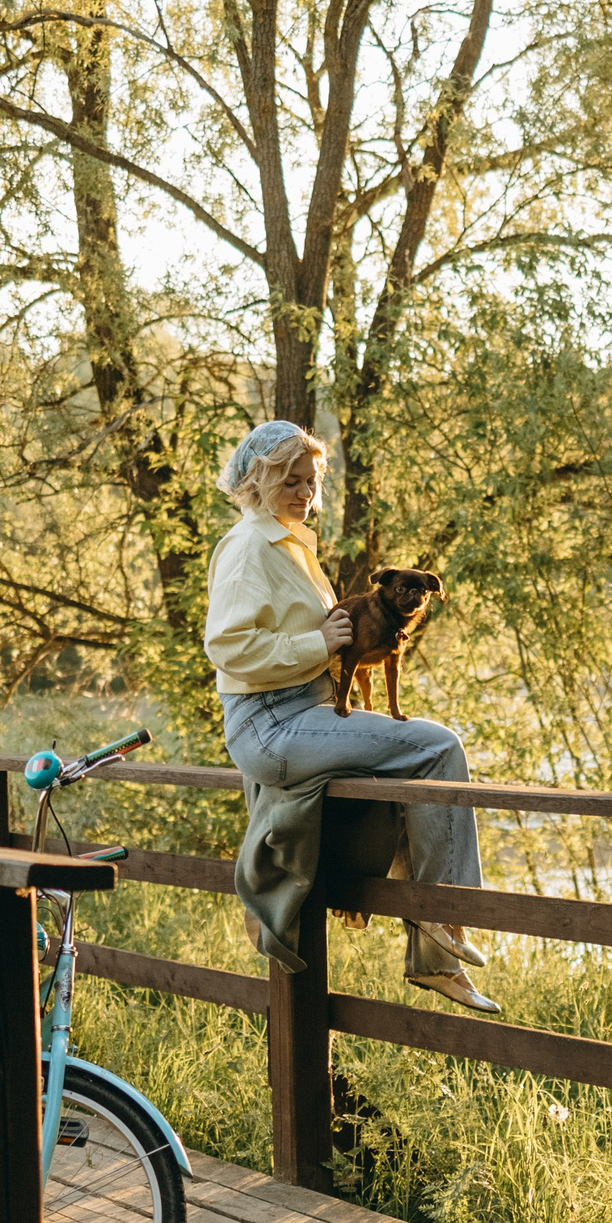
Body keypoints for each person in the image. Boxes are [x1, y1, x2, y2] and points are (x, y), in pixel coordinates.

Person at [205, 419, 498, 1013]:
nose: (304, 494)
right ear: (257, 479)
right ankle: (443, 917)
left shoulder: (289, 544)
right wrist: (319, 644)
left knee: (416, 758)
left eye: (311, 482)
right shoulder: (247, 549)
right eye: (291, 480)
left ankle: (436, 956)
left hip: (304, 714)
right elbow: (228, 647)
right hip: (273, 722)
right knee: (438, 748)